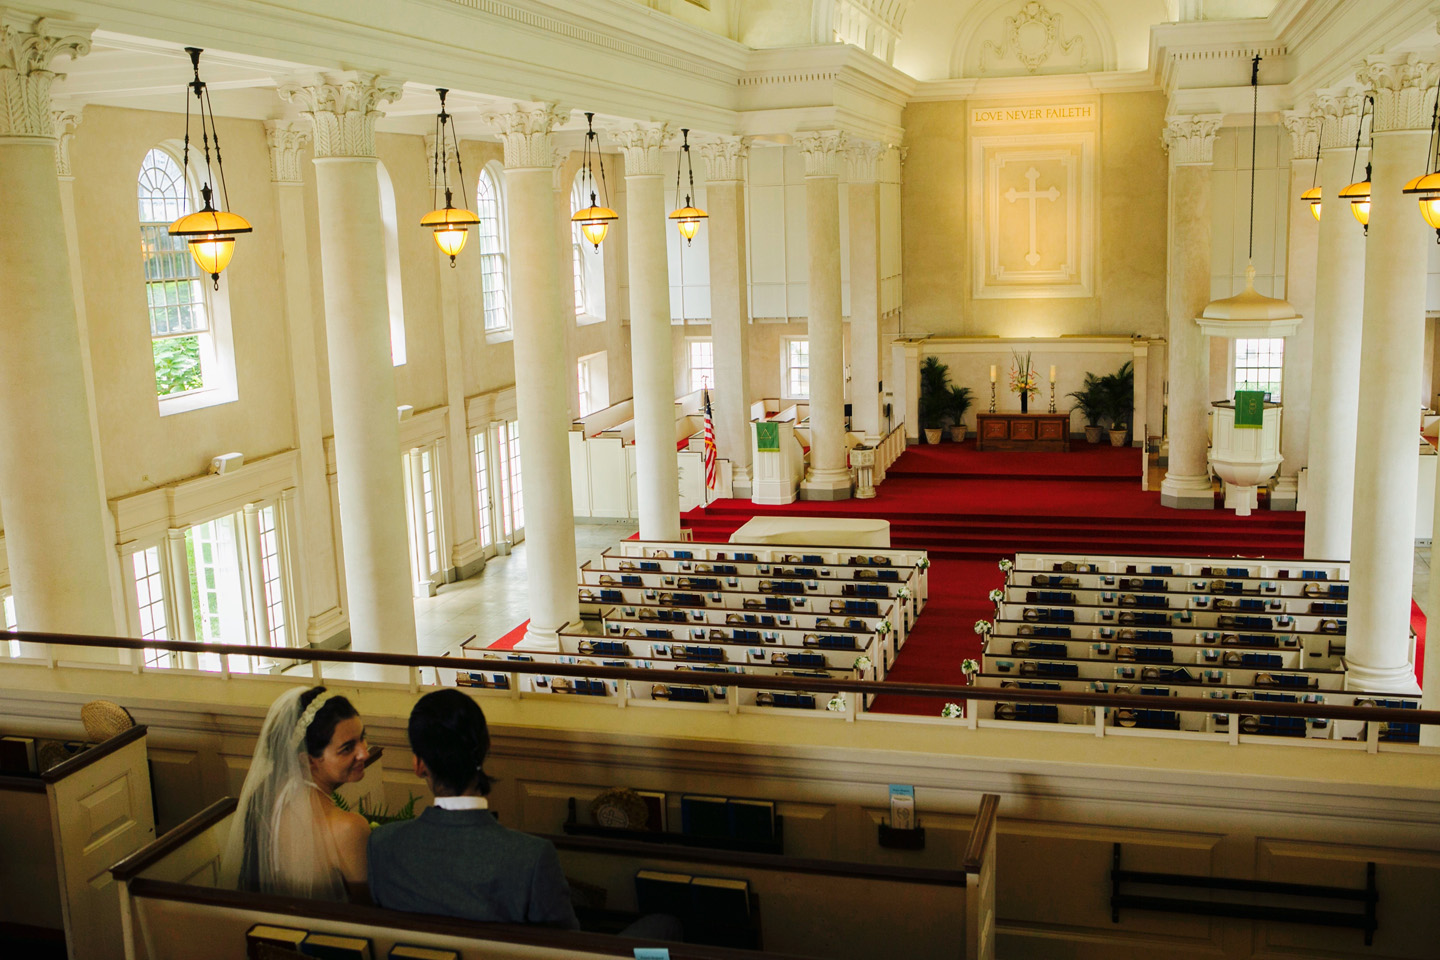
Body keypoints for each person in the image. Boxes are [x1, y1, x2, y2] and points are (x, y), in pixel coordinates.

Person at [367, 689, 580, 928]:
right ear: (486, 748)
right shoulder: (532, 858)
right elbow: (568, 948)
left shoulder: (382, 845)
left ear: (418, 765)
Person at [220, 686, 372, 901]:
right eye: (347, 748)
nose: (364, 753)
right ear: (307, 760)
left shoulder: (268, 796)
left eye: (362, 737)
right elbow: (370, 913)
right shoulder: (347, 828)